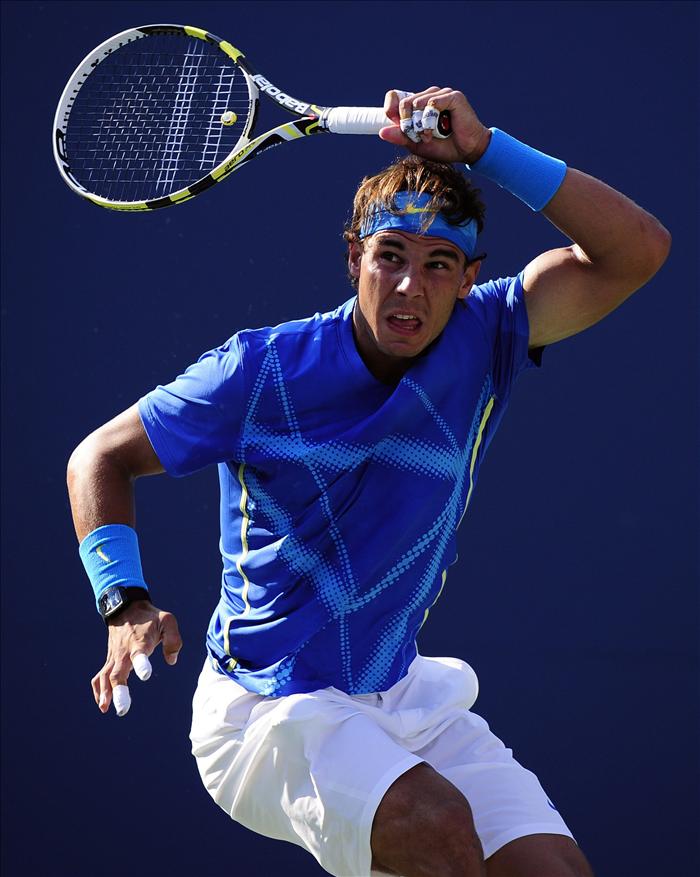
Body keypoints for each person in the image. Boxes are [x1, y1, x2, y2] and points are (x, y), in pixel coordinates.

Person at [67, 86, 670, 877]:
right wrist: (124, 601)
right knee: (437, 829)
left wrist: (488, 148)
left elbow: (637, 250)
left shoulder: (489, 333)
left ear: (467, 277)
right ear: (355, 257)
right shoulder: (260, 370)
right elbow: (98, 456)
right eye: (390, 257)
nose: (410, 287)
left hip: (400, 692)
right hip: (266, 704)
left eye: (438, 265)